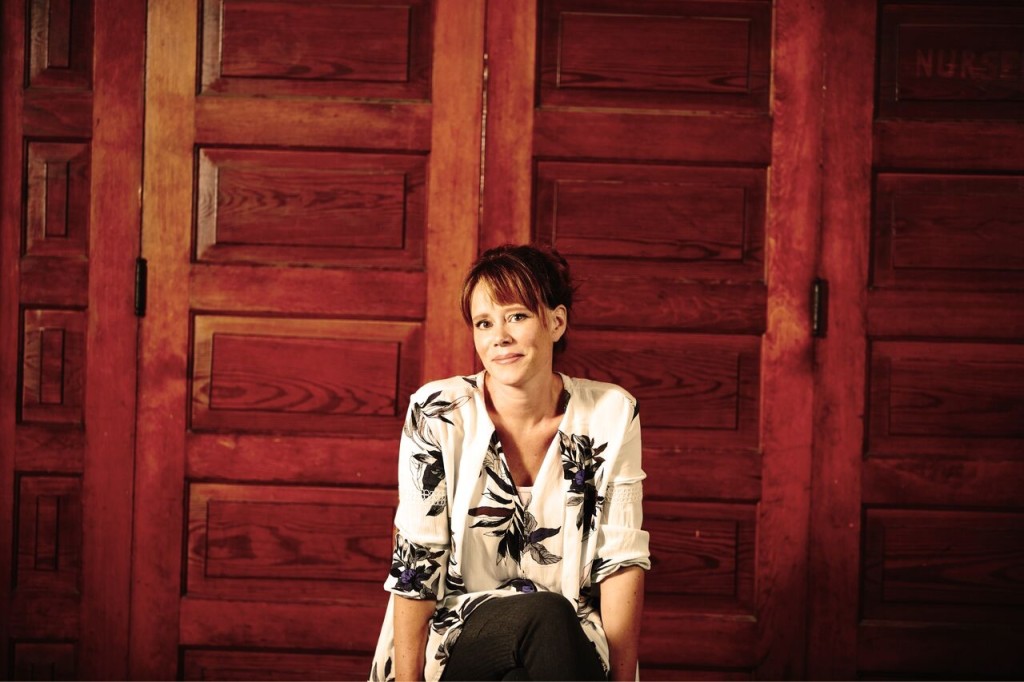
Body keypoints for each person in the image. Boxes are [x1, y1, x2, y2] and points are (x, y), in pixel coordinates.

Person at [369, 244, 650, 681]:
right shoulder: (438, 412)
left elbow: (622, 561)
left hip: (570, 641)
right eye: (484, 323)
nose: (499, 336)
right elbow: (417, 561)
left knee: (539, 646)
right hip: (458, 637)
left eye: (516, 316)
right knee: (543, 614)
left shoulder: (610, 414)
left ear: (556, 322)